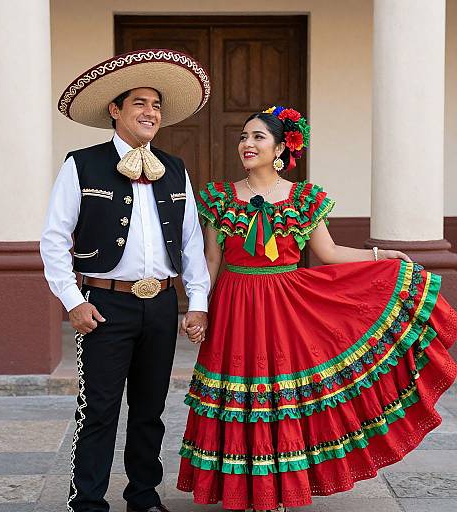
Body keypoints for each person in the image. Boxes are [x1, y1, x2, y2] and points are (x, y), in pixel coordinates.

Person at [176, 106, 457, 511]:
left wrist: (382, 255)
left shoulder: (303, 198)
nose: (247, 144)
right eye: (243, 136)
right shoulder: (220, 197)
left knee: (281, 395)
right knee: (239, 394)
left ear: (279, 148)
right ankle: (241, 489)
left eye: (257, 137)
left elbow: (328, 253)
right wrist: (197, 308)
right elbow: (211, 260)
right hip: (234, 305)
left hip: (285, 306)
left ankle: (278, 491)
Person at [40, 49, 211, 512]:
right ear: (115, 110)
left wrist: (197, 301)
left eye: (155, 105)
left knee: (150, 411)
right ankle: (89, 503)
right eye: (138, 103)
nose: (150, 112)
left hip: (159, 304)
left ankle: (144, 496)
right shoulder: (82, 164)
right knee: (98, 410)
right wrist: (73, 301)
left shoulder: (175, 168)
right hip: (103, 305)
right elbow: (53, 239)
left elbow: (192, 241)